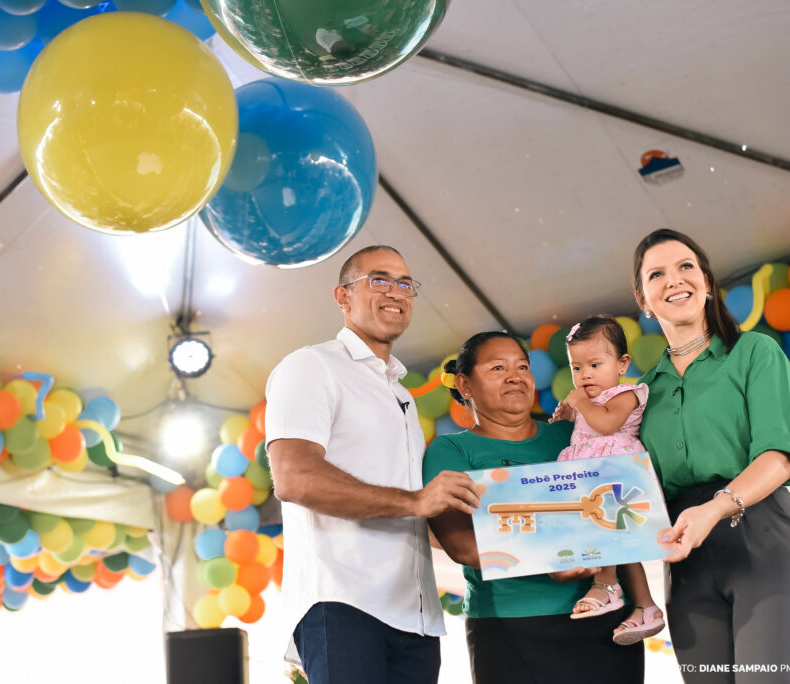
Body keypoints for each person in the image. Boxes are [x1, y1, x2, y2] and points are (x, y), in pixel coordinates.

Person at [265, 245, 483, 684]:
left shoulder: (401, 395)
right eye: (379, 280)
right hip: (343, 603)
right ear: (342, 297)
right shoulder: (310, 366)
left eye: (405, 283)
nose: (395, 292)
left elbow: (418, 513)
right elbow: (294, 477)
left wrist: (530, 544)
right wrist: (417, 501)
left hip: (418, 618)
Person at [632, 229, 790, 681]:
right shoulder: (640, 393)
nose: (674, 280)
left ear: (707, 282)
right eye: (656, 274)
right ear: (643, 300)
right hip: (687, 561)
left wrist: (716, 508)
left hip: (763, 540)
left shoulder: (754, 352)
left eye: (686, 267)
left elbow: (779, 456)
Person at [424, 331, 645, 684]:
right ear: (465, 385)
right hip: (510, 626)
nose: (515, 376)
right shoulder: (451, 450)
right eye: (498, 368)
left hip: (607, 619)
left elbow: (628, 504)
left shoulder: (572, 437)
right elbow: (460, 543)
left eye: (523, 367)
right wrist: (548, 557)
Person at [549, 315, 664, 645]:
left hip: (616, 473)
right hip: (592, 475)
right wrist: (570, 415)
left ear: (622, 363)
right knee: (621, 547)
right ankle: (646, 606)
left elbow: (607, 424)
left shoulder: (628, 394)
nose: (585, 375)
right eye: (577, 367)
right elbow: (589, 423)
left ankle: (606, 585)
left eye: (595, 365)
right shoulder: (590, 401)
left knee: (606, 534)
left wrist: (580, 403)